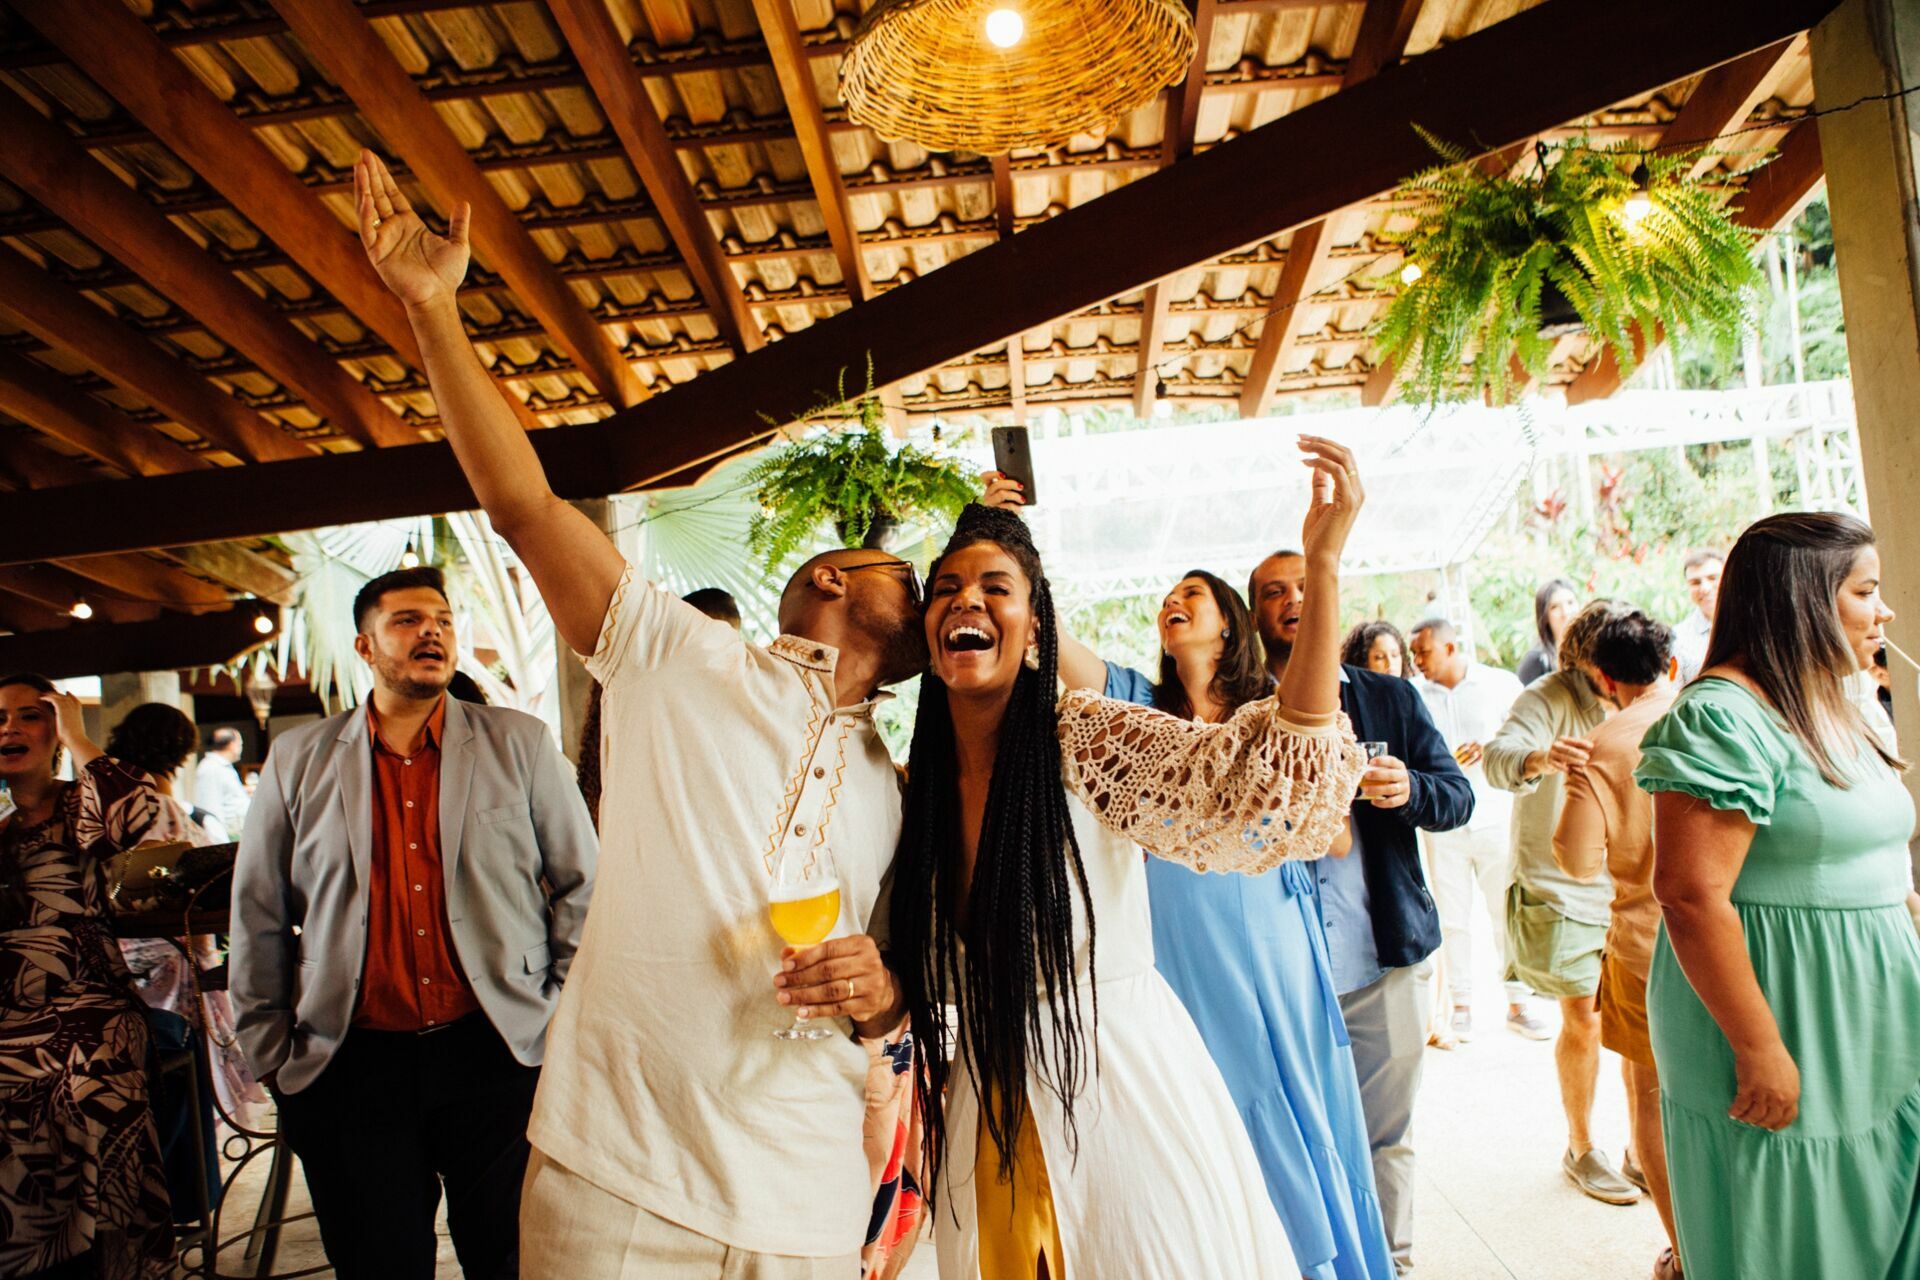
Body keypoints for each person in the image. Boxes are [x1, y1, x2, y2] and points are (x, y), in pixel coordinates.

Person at [355, 148, 924, 1277]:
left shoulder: (893, 785)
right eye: (919, 572)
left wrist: (884, 989)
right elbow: (521, 504)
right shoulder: (683, 656)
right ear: (831, 582)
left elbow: (904, 985)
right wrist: (432, 313)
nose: (941, 586)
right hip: (619, 1175)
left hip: (808, 1189)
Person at [887, 437, 1367, 1278]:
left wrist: (1323, 571)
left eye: (996, 587)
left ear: (1037, 627)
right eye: (947, 588)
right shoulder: (911, 788)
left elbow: (1267, 781)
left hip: (1122, 1092)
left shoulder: (1086, 736)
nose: (967, 599)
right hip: (989, 1105)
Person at [230, 566, 599, 1279]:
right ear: (365, 647)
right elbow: (259, 911)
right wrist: (269, 1053)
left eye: (442, 619)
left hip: (498, 1050)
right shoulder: (298, 760)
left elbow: (585, 885)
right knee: (380, 1264)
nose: (431, 631)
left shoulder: (518, 743)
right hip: (350, 1061)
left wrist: (559, 1018)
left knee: (513, 1259)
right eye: (406, 620)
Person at [1090, 565, 1395, 1280]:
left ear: (1228, 622)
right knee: (1208, 1100)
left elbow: (1336, 840)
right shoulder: (1137, 705)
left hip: (1272, 928)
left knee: (1293, 1089)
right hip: (1177, 942)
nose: (1173, 601)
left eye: (1190, 594)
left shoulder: (1273, 711)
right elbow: (1056, 643)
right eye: (1167, 598)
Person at [1638, 512, 1918, 1280]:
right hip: (1785, 1010)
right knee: (1800, 1231)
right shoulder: (1722, 715)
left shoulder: (1831, 701)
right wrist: (1760, 1049)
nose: (1884, 610)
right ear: (1807, 601)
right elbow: (1690, 895)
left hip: (1872, 1008)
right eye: (1866, 591)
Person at [1249, 552, 1474, 1276]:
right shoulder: (1239, 711)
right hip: (1280, 975)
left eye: (1306, 588)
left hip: (1385, 961)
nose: (1291, 600)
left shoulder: (1390, 699)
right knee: (1294, 1134)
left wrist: (1408, 787)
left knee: (1388, 1135)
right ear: (1252, 614)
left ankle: (1393, 1266)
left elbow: (1456, 797)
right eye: (1273, 592)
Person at [0, 674, 174, 1279]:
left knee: (75, 1074)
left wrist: (79, 737)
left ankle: (95, 1257)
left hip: (88, 997)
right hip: (6, 1008)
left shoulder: (82, 806)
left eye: (30, 715)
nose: (10, 727)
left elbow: (141, 814)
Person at [1485, 599, 1640, 1205]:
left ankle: (1641, 1150)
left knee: (1638, 1027)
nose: (1612, 682)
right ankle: (1580, 1147)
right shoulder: (1546, 699)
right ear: (1581, 662)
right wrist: (1540, 757)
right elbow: (1499, 758)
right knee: (1587, 1016)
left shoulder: (1641, 695)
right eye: (1603, 669)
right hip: (1562, 886)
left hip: (1628, 886)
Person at [1550, 611, 1682, 1278]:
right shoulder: (1710, 718)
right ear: (1674, 666)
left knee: (1650, 1101)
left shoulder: (1600, 745)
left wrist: (1577, 780)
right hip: (1737, 940)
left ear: (1604, 679)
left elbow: (1575, 860)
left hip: (1645, 949)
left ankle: (1684, 1249)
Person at [107, 704, 270, 1132]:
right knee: (182, 1082)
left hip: (129, 963)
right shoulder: (163, 810)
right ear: (180, 750)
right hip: (171, 962)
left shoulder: (108, 810)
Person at [1407, 618, 1541, 1040]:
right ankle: (1461, 1004)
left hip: (1495, 816)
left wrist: (1493, 750)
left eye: (1422, 652)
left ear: (1449, 648)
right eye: (1413, 654)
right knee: (1452, 917)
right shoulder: (1414, 695)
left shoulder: (1499, 685)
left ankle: (1519, 1001)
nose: (1416, 661)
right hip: (1442, 823)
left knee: (1506, 912)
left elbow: (1531, 741)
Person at [1670, 549, 1723, 683]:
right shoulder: (1677, 638)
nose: (1705, 588)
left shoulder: (1752, 627)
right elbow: (1674, 692)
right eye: (1695, 582)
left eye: (1712, 578)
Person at [1518, 578, 1579, 685]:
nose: (1565, 612)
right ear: (1545, 616)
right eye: (1555, 607)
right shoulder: (1535, 661)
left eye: (1570, 603)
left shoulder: (1589, 652)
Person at [193, 724, 250, 837]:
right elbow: (210, 809)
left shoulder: (223, 766)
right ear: (233, 745)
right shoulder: (210, 768)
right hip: (227, 835)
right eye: (240, 744)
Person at [1342, 619, 1415, 678]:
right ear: (1362, 662)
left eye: (1394, 655)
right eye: (1380, 657)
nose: (1390, 663)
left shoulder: (1411, 692)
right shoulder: (1348, 695)